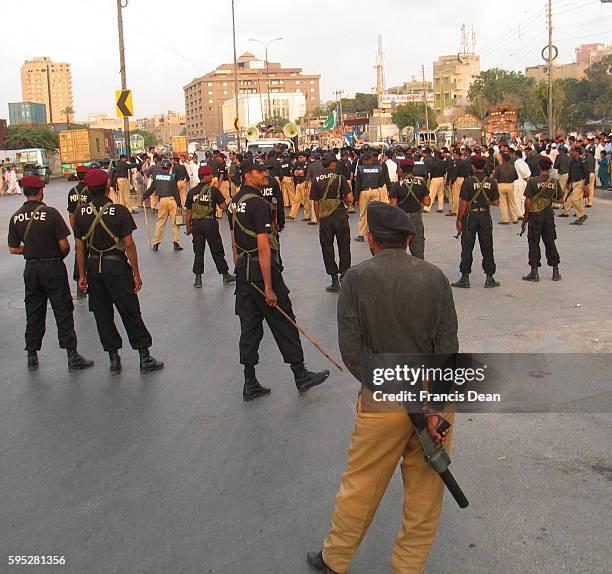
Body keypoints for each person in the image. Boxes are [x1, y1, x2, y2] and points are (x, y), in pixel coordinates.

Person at [307, 201, 459, 574]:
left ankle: (334, 560)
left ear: (372, 240)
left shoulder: (355, 280)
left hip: (382, 402)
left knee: (361, 485)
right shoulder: (435, 277)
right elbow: (448, 347)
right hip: (432, 401)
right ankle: (408, 568)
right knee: (425, 494)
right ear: (409, 239)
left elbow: (353, 353)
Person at [228, 158, 330, 401]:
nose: (265, 174)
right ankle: (300, 375)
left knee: (249, 327)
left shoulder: (235, 202)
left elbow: (233, 239)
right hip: (262, 272)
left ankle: (249, 381)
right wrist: (269, 287)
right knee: (285, 323)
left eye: (265, 170)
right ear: (246, 175)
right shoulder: (257, 204)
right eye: (259, 171)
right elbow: (264, 247)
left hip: (244, 271)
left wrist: (240, 269)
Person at [74, 168, 163, 374]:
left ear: (88, 189)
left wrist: (82, 274)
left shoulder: (81, 213)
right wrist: (136, 273)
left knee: (102, 314)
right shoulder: (120, 211)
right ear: (107, 187)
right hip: (116, 267)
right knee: (130, 310)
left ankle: (114, 359)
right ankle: (144, 356)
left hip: (94, 267)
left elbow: (80, 247)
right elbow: (129, 244)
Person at [7, 176, 94, 372]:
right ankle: (72, 355)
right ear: (40, 191)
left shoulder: (16, 216)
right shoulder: (50, 213)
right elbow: (64, 245)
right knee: (62, 310)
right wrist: (52, 253)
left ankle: (31, 354)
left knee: (34, 311)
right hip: (52, 267)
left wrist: (30, 250)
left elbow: (13, 248)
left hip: (31, 268)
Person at [452, 155, 501, 288]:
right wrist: (484, 201)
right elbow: (496, 202)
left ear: (472, 166)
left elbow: (463, 203)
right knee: (487, 246)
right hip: (485, 216)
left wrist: (459, 220)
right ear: (484, 166)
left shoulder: (467, 182)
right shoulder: (492, 182)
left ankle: (465, 278)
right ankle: (489, 278)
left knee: (467, 246)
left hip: (470, 216)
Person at [185, 164, 235, 288]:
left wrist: (188, 226)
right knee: (217, 249)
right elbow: (223, 206)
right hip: (210, 223)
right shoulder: (213, 190)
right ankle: (225, 274)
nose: (213, 177)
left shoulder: (192, 192)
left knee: (198, 251)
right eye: (211, 175)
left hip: (196, 224)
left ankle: (198, 278)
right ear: (205, 176)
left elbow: (189, 212)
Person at [309, 152, 353, 292]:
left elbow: (315, 203)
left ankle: (334, 280)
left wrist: (318, 220)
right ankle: (345, 275)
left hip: (325, 218)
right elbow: (350, 198)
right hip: (340, 216)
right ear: (333, 164)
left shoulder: (316, 180)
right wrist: (343, 200)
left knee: (327, 247)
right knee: (344, 245)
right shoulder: (340, 179)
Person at [521, 156, 563, 283]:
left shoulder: (533, 182)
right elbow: (560, 200)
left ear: (539, 167)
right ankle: (555, 271)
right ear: (550, 168)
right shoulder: (554, 182)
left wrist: (526, 216)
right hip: (548, 215)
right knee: (550, 241)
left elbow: (528, 201)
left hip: (535, 215)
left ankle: (534, 272)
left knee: (534, 241)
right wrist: (548, 200)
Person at [389, 158, 431, 259]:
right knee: (418, 250)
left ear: (401, 171)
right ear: (413, 170)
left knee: (398, 250)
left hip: (401, 219)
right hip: (416, 219)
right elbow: (427, 202)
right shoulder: (421, 183)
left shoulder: (397, 185)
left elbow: (393, 206)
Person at [142, 159, 184, 250]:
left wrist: (144, 197)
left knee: (160, 222)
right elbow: (175, 192)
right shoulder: (172, 177)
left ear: (162, 168)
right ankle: (176, 243)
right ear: (169, 168)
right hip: (172, 200)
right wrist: (180, 205)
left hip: (162, 201)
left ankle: (156, 243)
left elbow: (151, 189)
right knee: (175, 223)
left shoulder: (157, 177)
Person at [67, 165, 93, 299]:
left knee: (79, 255)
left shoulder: (72, 192)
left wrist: (75, 230)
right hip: (90, 227)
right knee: (93, 254)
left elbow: (71, 215)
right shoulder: (90, 191)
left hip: (78, 228)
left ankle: (80, 284)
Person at [353, 152, 385, 242]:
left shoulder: (360, 169)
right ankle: (376, 233)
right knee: (375, 213)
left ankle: (361, 235)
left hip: (364, 192)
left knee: (363, 213)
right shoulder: (378, 169)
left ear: (363, 160)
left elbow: (358, 185)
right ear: (371, 160)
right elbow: (381, 183)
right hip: (375, 191)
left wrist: (356, 198)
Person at [560, 147, 588, 224]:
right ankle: (580, 217)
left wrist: (586, 184)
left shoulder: (582, 161)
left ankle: (582, 214)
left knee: (574, 199)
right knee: (577, 200)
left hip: (580, 182)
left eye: (573, 151)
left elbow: (586, 172)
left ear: (577, 152)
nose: (572, 152)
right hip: (573, 182)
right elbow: (570, 172)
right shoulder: (572, 161)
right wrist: (568, 183)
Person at [494, 152, 519, 224]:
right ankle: (514, 218)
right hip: (510, 185)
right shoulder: (512, 166)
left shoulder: (499, 167)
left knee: (503, 203)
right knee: (512, 202)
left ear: (503, 159)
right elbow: (516, 177)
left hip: (501, 185)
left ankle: (505, 220)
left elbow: (495, 177)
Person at [289, 151, 310, 221]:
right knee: (296, 200)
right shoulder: (297, 163)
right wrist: (298, 173)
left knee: (306, 200)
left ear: (305, 157)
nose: (299, 159)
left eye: (301, 157)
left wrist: (298, 172)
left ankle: (307, 216)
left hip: (305, 183)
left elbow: (301, 172)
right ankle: (292, 215)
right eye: (298, 157)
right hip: (298, 183)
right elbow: (294, 173)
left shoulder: (307, 163)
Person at [513, 149, 531, 219]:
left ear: (516, 155)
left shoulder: (517, 163)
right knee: (523, 197)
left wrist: (525, 176)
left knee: (517, 197)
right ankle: (523, 212)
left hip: (518, 181)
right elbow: (529, 172)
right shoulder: (524, 163)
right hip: (525, 181)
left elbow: (523, 172)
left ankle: (519, 213)